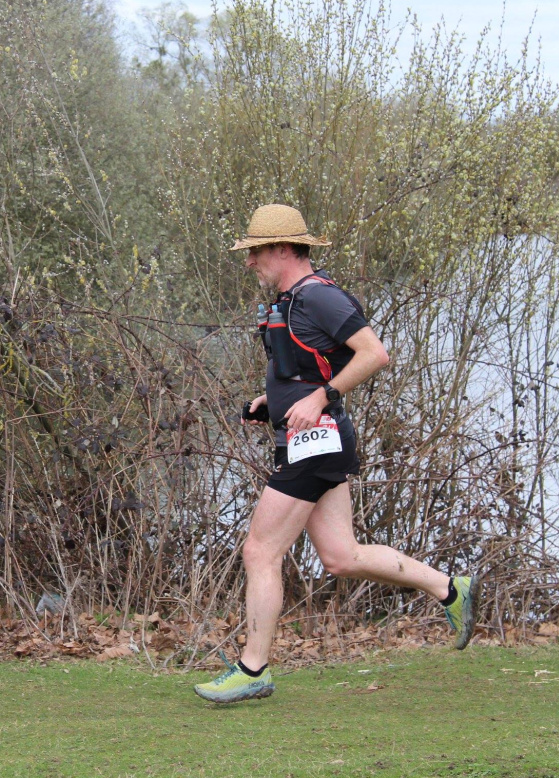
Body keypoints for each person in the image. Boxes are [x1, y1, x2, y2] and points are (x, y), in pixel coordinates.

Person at [194, 205, 481, 704]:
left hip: (315, 444)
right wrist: (275, 401)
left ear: (284, 248)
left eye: (256, 251)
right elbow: (309, 366)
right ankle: (451, 589)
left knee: (260, 551)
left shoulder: (319, 296)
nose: (250, 261)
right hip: (315, 442)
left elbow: (374, 353)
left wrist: (319, 399)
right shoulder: (292, 301)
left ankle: (253, 669)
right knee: (342, 557)